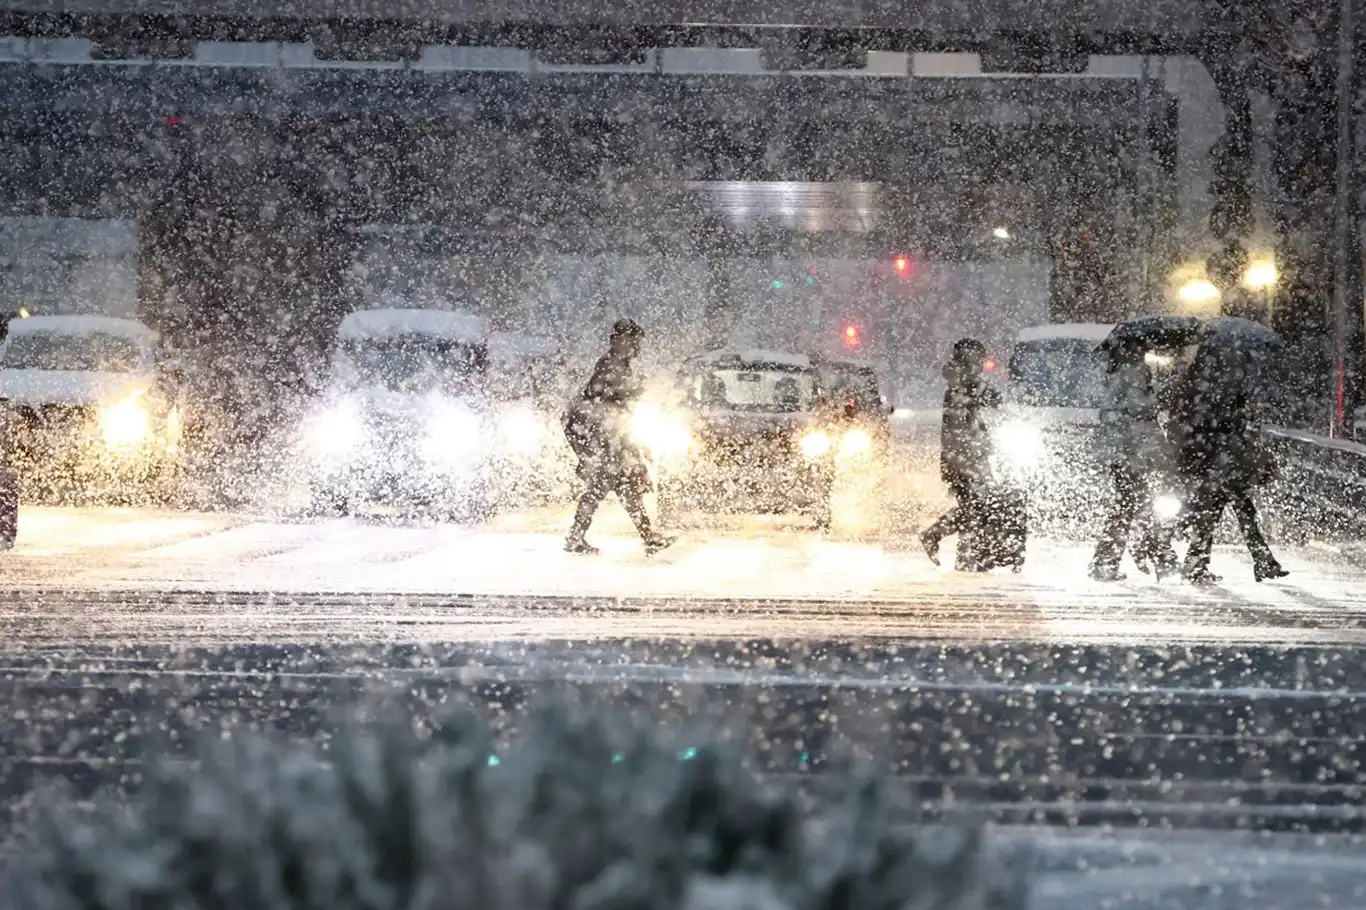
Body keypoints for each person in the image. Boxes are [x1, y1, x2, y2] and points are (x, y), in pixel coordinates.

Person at [1172, 344, 1285, 584]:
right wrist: (1242, 414)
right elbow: (1222, 424)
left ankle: (1195, 561)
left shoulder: (1205, 385)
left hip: (1215, 459)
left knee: (1216, 512)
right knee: (1233, 510)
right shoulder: (1219, 389)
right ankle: (1167, 543)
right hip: (1221, 460)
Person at [562, 319, 674, 556]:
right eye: (631, 341)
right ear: (618, 341)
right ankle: (576, 537)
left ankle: (647, 536)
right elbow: (598, 399)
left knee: (625, 486)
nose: (635, 346)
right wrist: (631, 392)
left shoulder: (618, 364)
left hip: (612, 437)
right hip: (605, 438)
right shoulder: (610, 365)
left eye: (635, 342)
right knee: (606, 486)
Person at [1088, 346, 1178, 582]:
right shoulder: (1133, 371)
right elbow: (1138, 407)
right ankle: (1151, 555)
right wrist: (1159, 397)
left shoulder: (1117, 372)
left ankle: (1148, 554)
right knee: (1131, 504)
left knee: (1132, 503)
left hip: (1121, 449)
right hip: (1129, 450)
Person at [919, 338, 1001, 568]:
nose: (982, 365)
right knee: (976, 506)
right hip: (962, 460)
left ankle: (965, 555)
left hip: (969, 458)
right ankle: (938, 538)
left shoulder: (965, 383)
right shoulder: (960, 385)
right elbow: (962, 424)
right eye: (979, 359)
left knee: (975, 506)